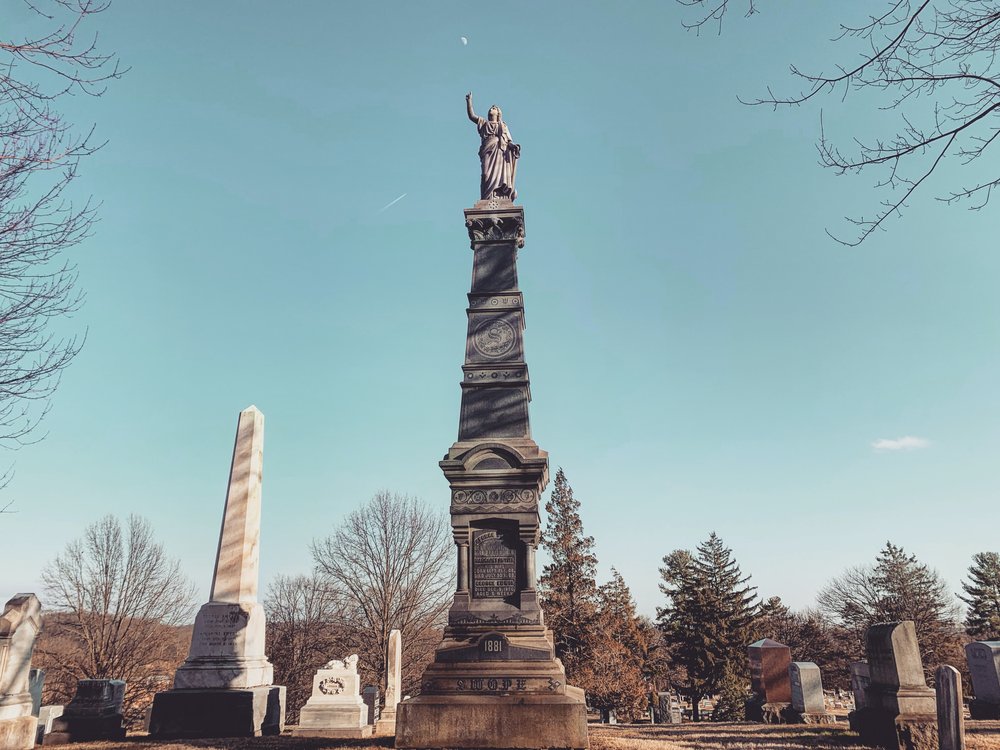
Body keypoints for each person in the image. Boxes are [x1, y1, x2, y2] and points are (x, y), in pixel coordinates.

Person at [466, 92, 520, 200]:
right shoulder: (483, 123)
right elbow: (471, 116)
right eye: (491, 108)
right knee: (486, 175)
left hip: (499, 151)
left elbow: (508, 139)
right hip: (487, 150)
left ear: (498, 113)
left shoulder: (502, 125)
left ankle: (498, 196)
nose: (492, 108)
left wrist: (513, 146)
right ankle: (486, 197)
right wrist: (469, 102)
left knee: (499, 175)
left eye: (494, 108)